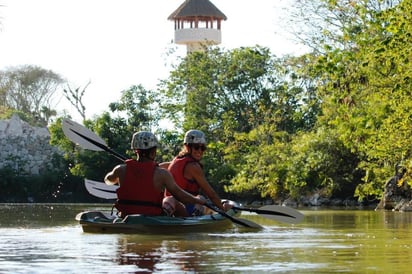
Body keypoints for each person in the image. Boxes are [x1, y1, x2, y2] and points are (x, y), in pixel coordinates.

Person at [104, 131, 206, 217]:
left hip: (126, 215)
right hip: (152, 217)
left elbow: (108, 180)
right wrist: (198, 201)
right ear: (153, 152)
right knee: (172, 200)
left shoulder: (120, 169)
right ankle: (189, 223)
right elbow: (181, 196)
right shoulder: (162, 174)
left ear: (135, 151)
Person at [162, 129, 231, 217]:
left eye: (203, 148)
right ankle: (195, 216)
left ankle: (169, 214)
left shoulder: (176, 160)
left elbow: (161, 166)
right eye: (196, 147)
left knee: (199, 198)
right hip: (182, 209)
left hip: (173, 205)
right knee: (200, 198)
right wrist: (223, 209)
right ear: (187, 147)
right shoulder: (193, 166)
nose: (200, 151)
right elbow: (211, 194)